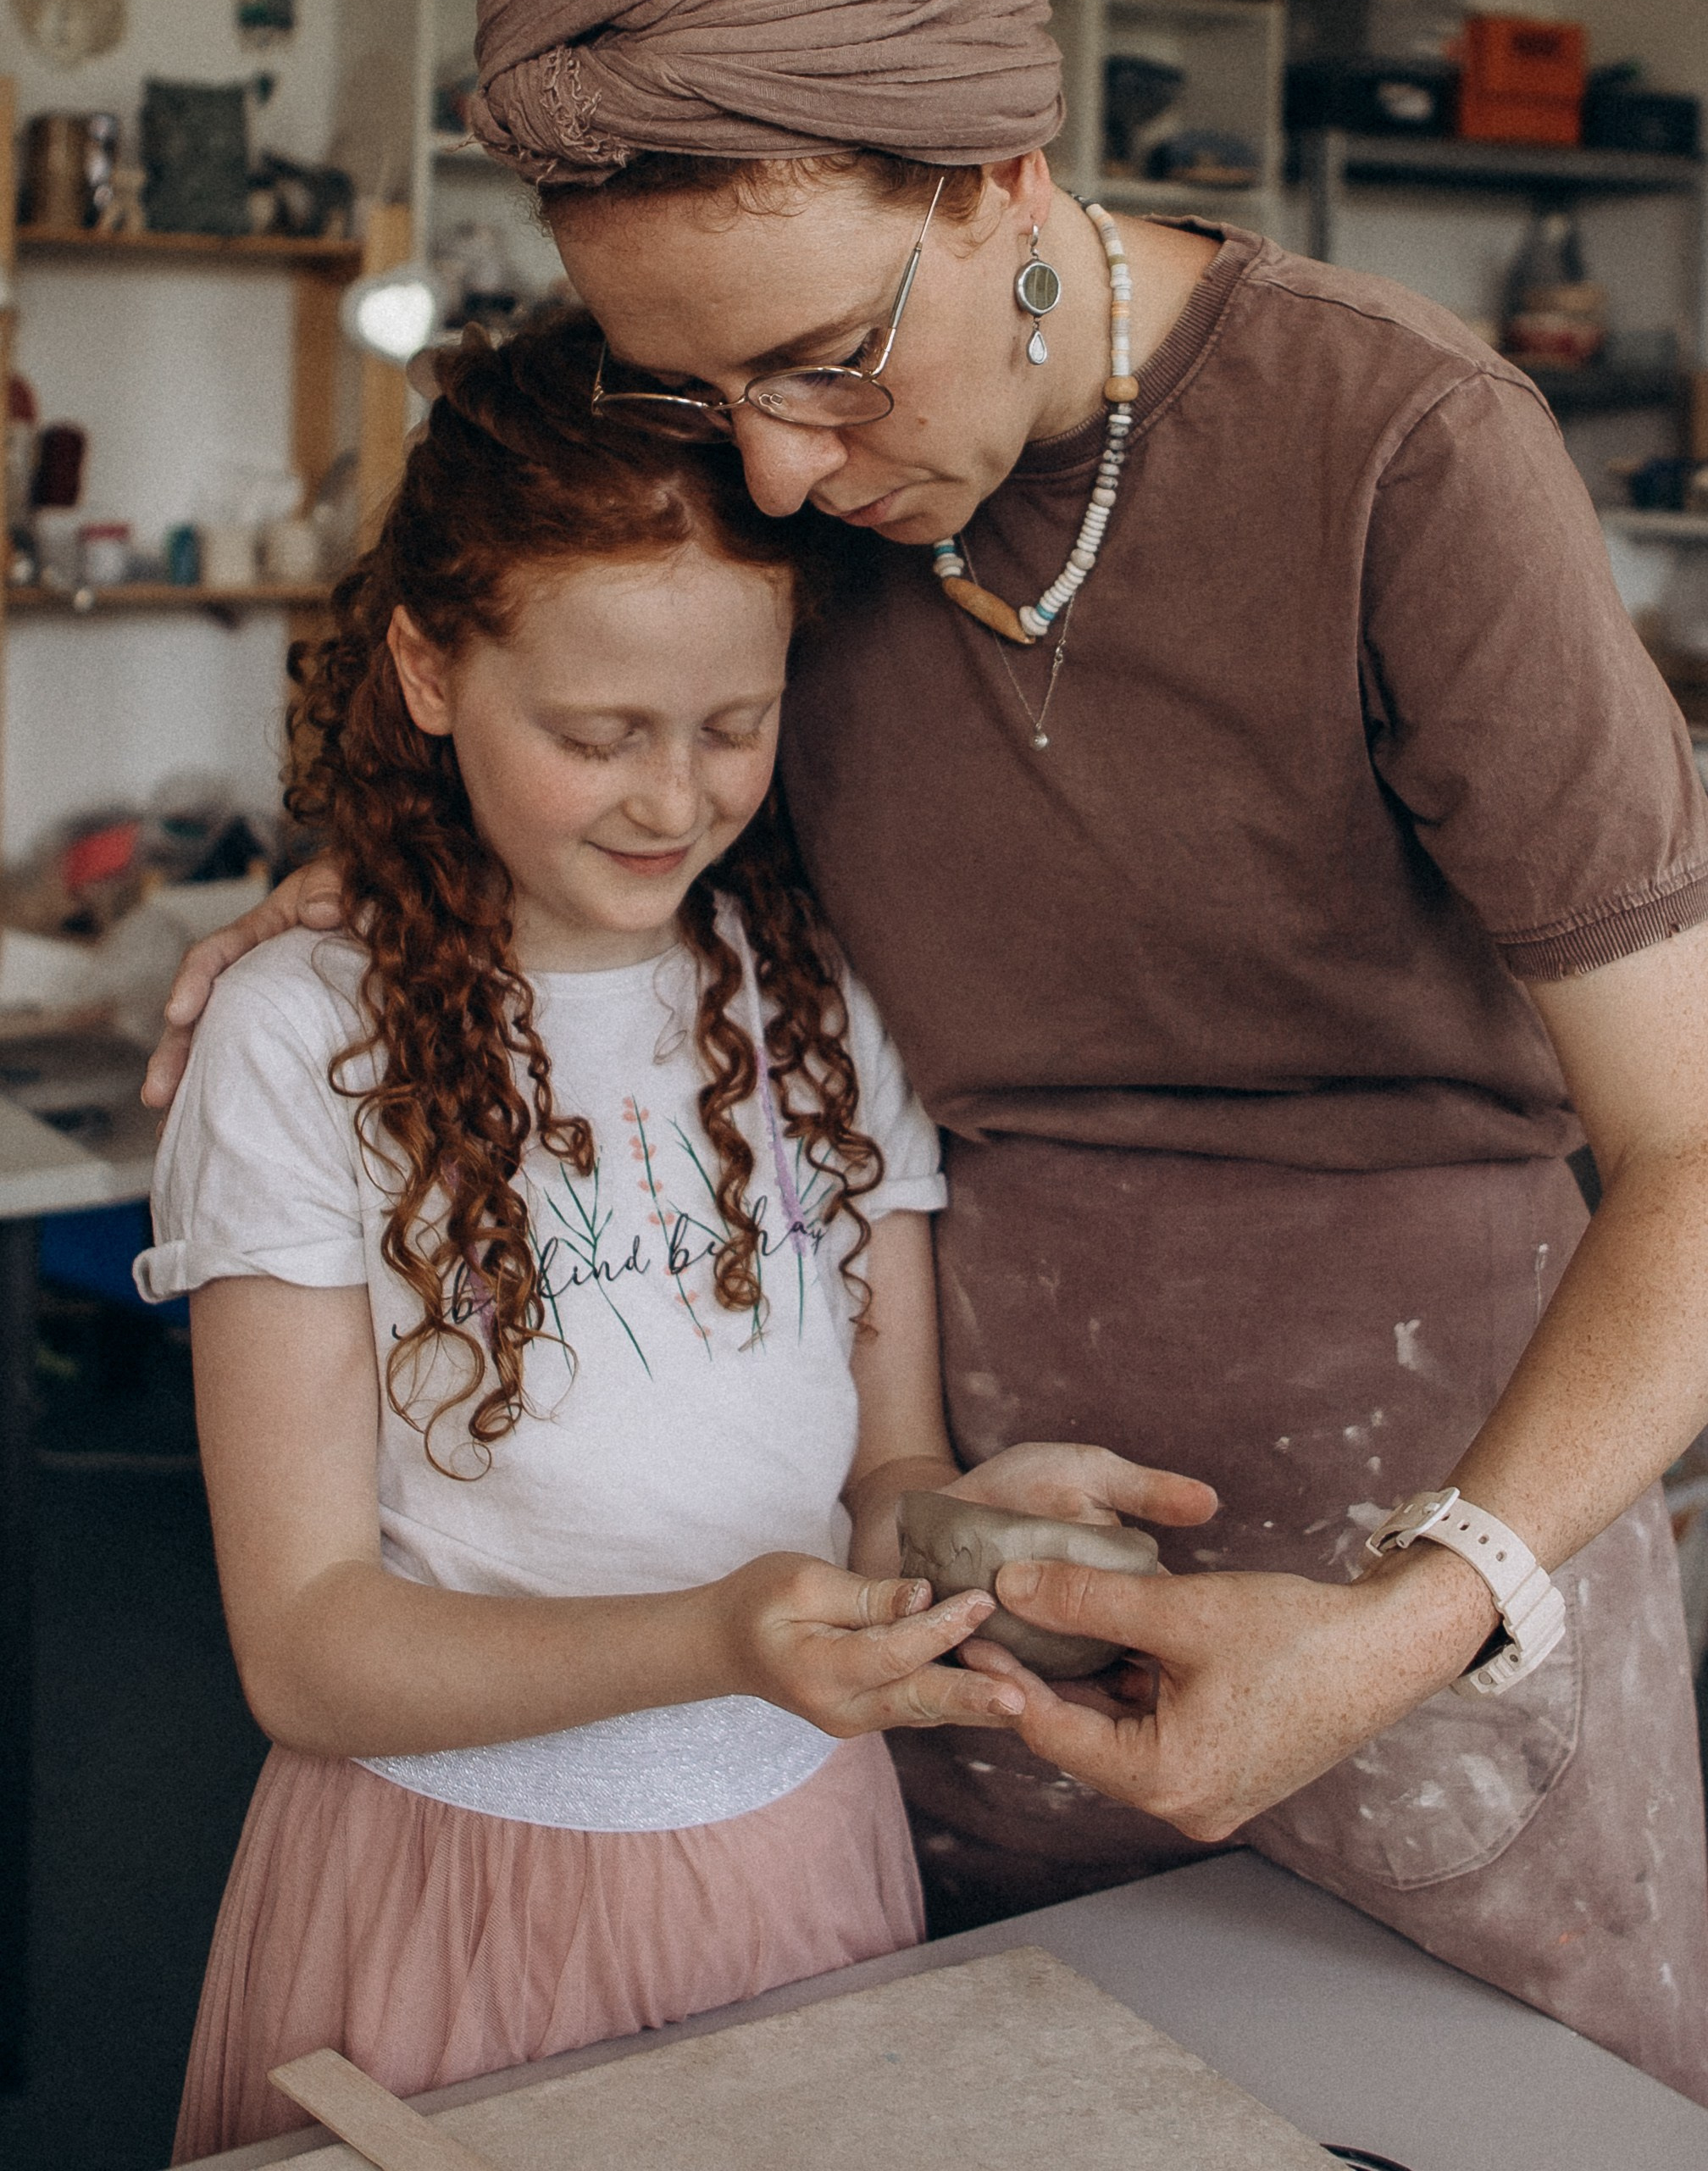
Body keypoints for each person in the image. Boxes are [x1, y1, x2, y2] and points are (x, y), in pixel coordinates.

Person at [147, 0, 1708, 2099]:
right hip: (946, 1630)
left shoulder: (1401, 454)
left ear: (1004, 180)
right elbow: (581, 704)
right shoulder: (799, 485)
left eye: (823, 363)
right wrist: (377, 881)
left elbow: (1696, 1148)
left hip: (1433, 1546)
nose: (777, 475)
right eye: (699, 390)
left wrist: (1413, 1620)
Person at [137, 319, 1191, 2159]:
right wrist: (717, 1637)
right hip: (448, 1896)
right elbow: (303, 1646)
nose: (674, 796)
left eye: (733, 726)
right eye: (598, 734)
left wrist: (974, 1532)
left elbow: (885, 1464)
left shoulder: (819, 1000)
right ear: (430, 667)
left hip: (799, 1859)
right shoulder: (301, 1035)